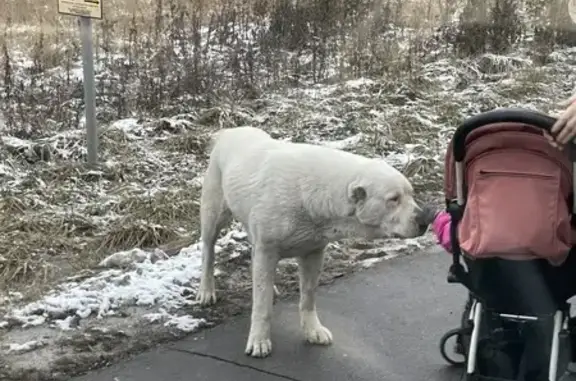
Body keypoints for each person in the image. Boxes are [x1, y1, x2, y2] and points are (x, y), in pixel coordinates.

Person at [432, 99, 576, 378]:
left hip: (488, 276)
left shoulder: (468, 216)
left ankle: (483, 345)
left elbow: (451, 232)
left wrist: (435, 219)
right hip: (554, 276)